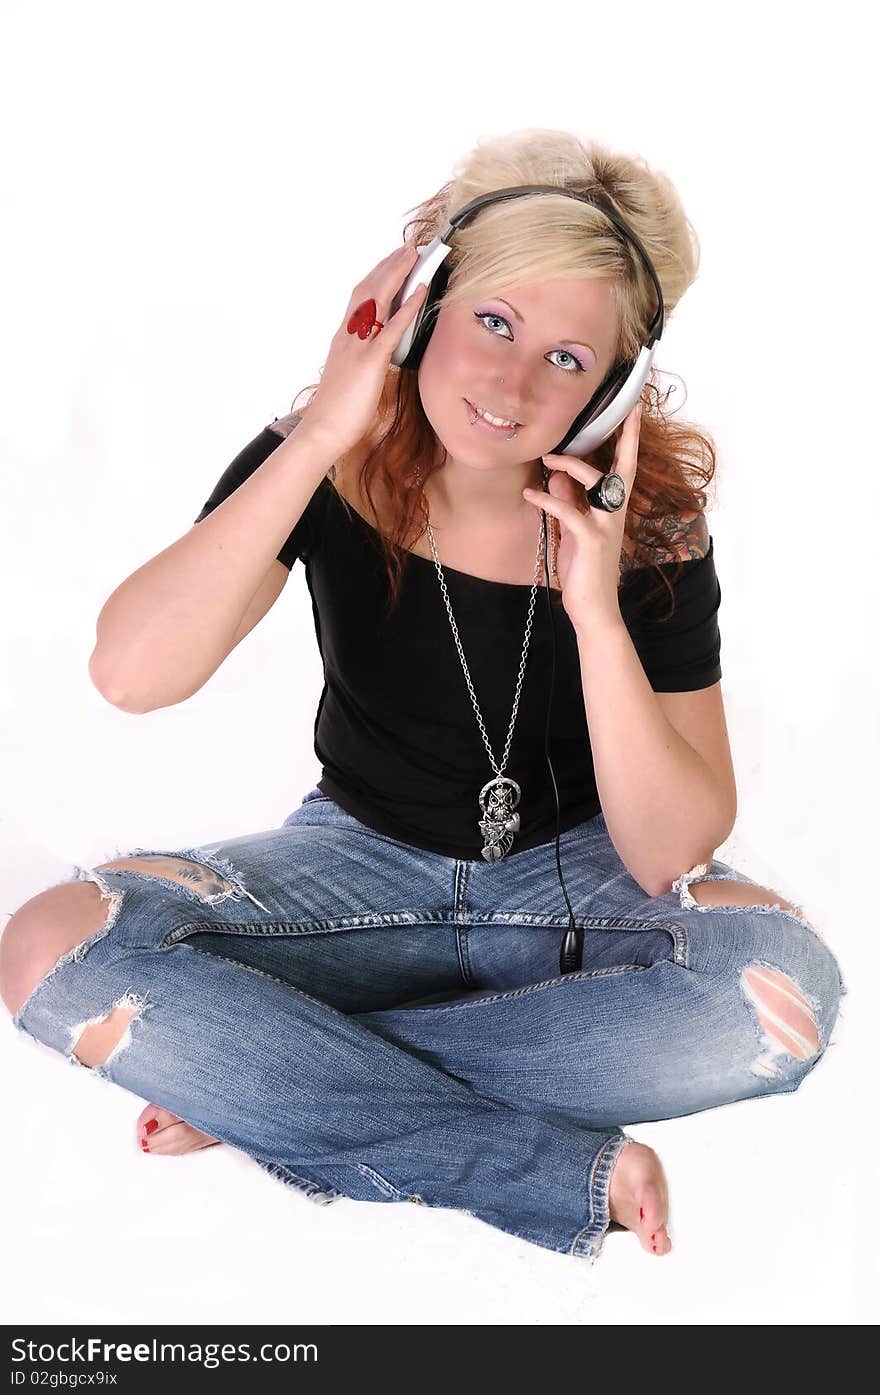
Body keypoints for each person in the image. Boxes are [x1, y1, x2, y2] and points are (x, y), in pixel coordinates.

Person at [0, 129, 846, 1267]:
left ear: (615, 384)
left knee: (777, 999)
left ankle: (278, 1084)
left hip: (577, 890)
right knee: (50, 947)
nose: (508, 384)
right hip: (357, 874)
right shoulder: (326, 460)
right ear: (426, 308)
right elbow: (130, 674)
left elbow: (665, 854)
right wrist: (326, 429)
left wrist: (595, 605)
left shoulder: (649, 523)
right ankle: (519, 1166)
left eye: (564, 358)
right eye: (493, 321)